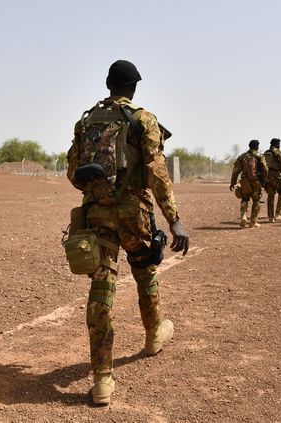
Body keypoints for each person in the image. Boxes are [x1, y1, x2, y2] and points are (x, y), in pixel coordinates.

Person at [66, 59, 190, 406]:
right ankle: (153, 335)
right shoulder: (143, 119)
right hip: (134, 216)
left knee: (101, 290)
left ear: (108, 85)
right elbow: (157, 172)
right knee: (145, 272)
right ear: (134, 87)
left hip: (97, 216)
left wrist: (100, 190)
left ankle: (102, 380)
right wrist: (174, 219)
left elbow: (73, 172)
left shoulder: (85, 121)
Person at [230, 140, 268, 228]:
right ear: (257, 147)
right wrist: (264, 181)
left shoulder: (242, 156)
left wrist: (233, 182)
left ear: (249, 146)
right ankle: (253, 222)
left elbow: (236, 170)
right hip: (256, 181)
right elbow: (265, 169)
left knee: (244, 199)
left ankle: (243, 216)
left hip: (245, 182)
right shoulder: (260, 156)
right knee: (256, 201)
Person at [263, 138, 281, 222]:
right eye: (278, 143)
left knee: (270, 196)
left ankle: (270, 217)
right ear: (276, 144)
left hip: (268, 176)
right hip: (277, 176)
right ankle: (278, 214)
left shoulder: (266, 152)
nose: (279, 145)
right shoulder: (278, 152)